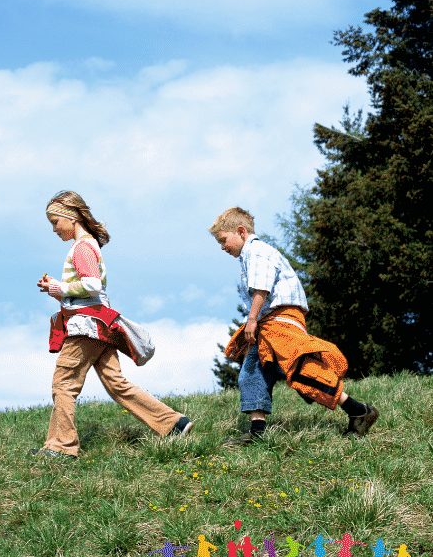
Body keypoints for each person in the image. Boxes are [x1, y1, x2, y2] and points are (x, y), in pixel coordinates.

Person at [34, 191, 193, 458]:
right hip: (100, 326)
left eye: (54, 222)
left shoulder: (82, 247)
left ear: (70, 216)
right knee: (116, 384)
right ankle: (173, 423)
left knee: (64, 384)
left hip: (85, 327)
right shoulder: (89, 245)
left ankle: (62, 447)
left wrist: (59, 288)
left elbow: (92, 284)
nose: (53, 229)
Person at [210, 206, 379, 446]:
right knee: (253, 371)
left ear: (241, 231)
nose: (223, 247)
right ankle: (257, 432)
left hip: (281, 321)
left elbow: (262, 287)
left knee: (299, 370)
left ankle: (358, 410)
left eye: (224, 240)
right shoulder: (251, 254)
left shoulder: (256, 251)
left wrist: (251, 320)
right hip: (271, 323)